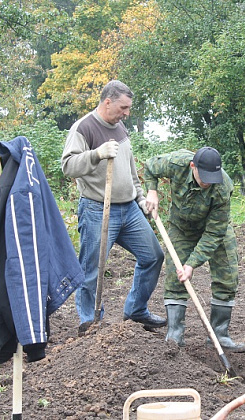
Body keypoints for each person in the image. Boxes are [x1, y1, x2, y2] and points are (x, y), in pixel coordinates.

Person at [62, 80, 165, 333]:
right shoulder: (83, 128)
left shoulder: (120, 127)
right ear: (107, 101)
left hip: (129, 209)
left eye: (128, 108)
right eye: (123, 107)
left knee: (153, 256)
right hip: (98, 208)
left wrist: (140, 197)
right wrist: (96, 154)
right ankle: (90, 322)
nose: (126, 113)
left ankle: (136, 311)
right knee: (91, 270)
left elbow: (129, 170)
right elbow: (68, 166)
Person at [143, 147, 245, 353]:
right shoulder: (177, 163)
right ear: (193, 167)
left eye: (212, 178)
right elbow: (150, 166)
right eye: (204, 177)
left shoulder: (223, 186)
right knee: (174, 275)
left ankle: (219, 335)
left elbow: (214, 233)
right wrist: (152, 191)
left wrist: (191, 264)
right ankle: (175, 335)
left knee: (227, 275)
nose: (208, 182)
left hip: (215, 228)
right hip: (181, 227)